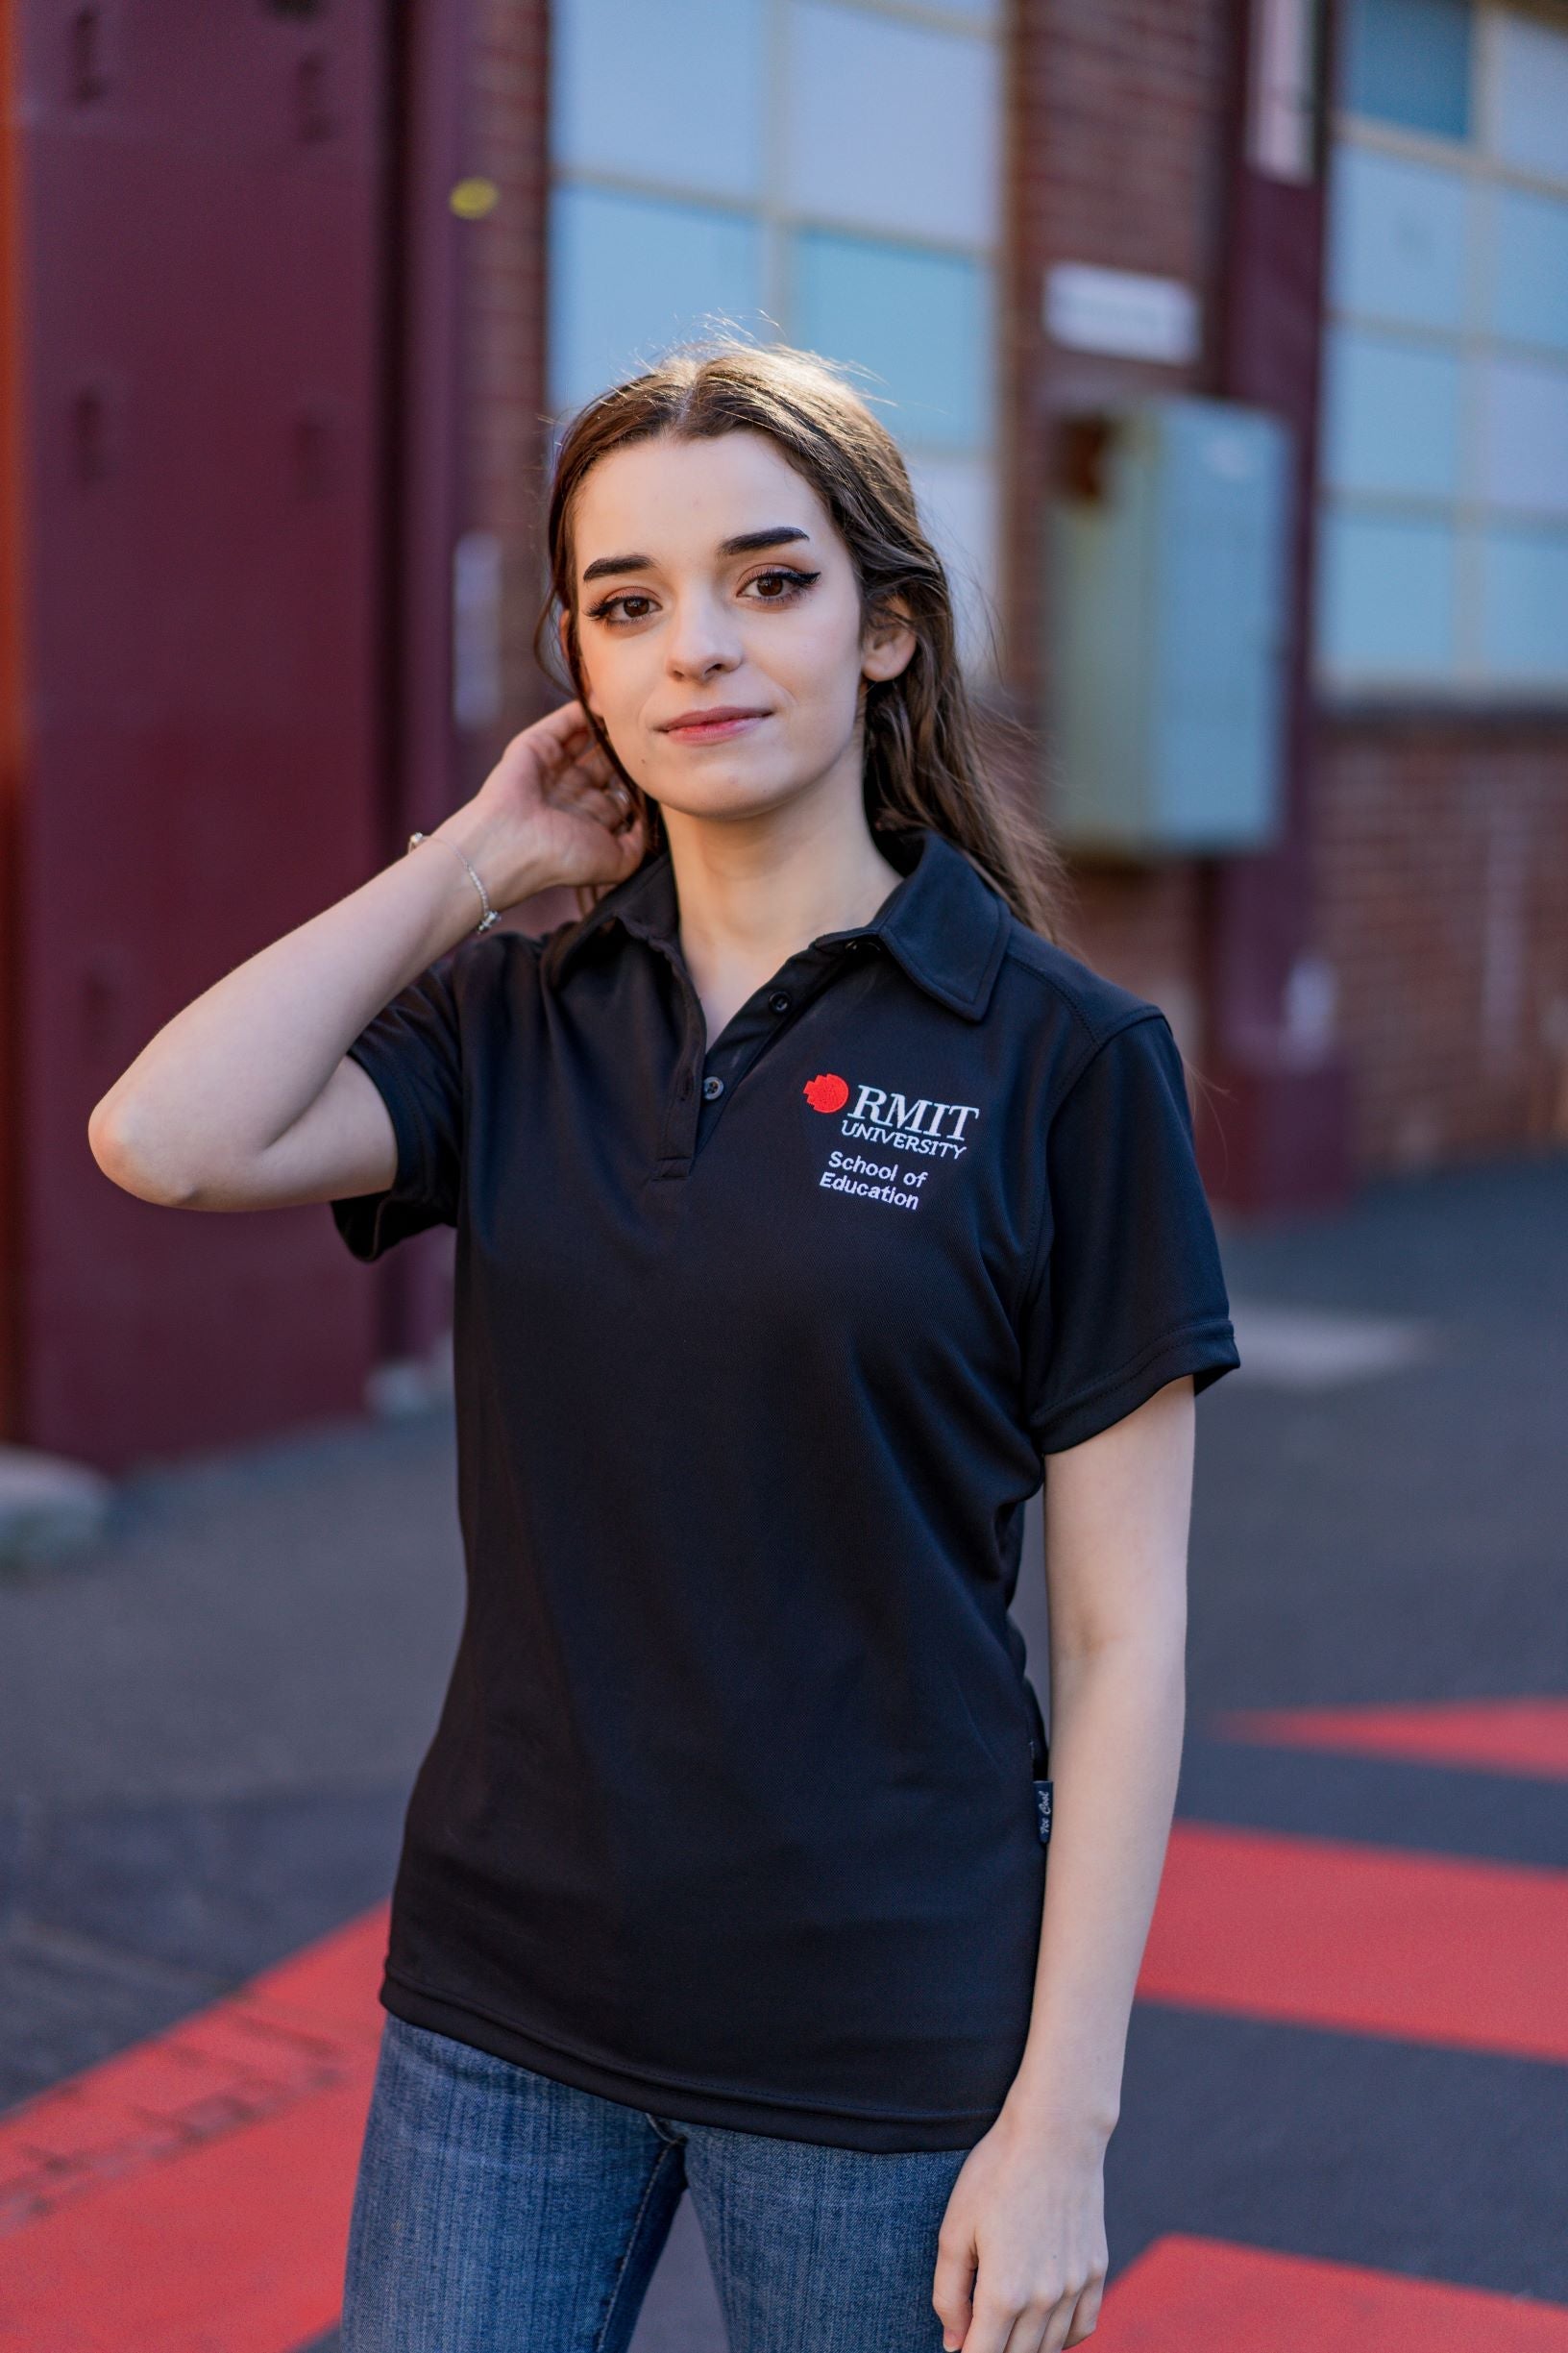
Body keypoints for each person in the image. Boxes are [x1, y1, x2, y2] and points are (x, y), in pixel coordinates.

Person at [88, 339, 1240, 2353]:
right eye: (630, 603)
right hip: (508, 1999)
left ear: (888, 628)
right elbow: (164, 1140)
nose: (699, 645)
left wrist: (1064, 2114)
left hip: (882, 2031)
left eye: (769, 581)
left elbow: (1130, 1636)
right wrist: (467, 858)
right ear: (580, 665)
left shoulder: (1061, 1063)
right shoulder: (515, 1020)